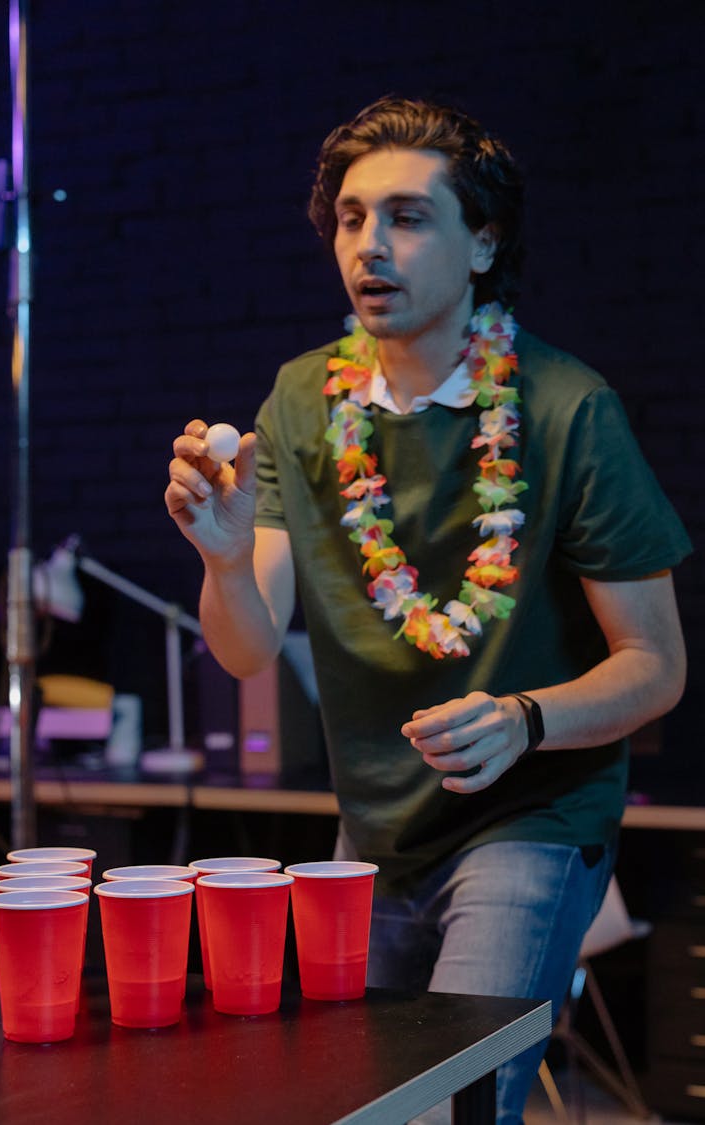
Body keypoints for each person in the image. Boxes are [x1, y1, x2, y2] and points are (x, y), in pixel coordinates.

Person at [165, 96, 691, 1123]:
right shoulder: (300, 400)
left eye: (407, 217)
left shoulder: (565, 407)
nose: (371, 245)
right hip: (373, 828)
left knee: (449, 1103)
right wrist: (225, 561)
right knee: (354, 1103)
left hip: (529, 818)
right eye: (353, 219)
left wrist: (525, 717)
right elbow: (244, 649)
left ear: (483, 241)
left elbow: (656, 663)